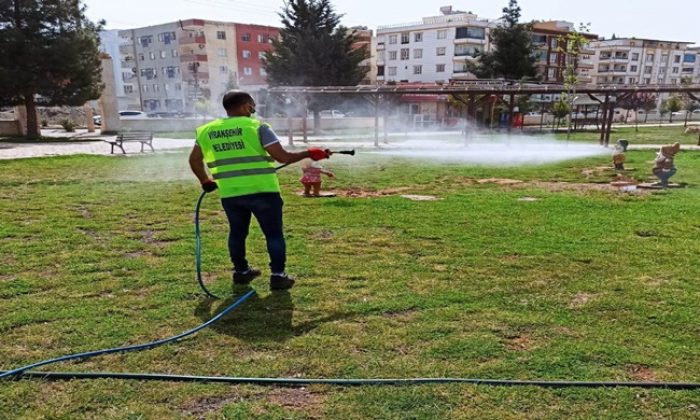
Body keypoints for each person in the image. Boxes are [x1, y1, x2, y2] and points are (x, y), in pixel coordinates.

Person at [189, 91, 330, 290]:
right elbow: (283, 158)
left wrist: (205, 180)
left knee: (237, 233)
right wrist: (310, 152)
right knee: (273, 234)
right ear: (246, 106)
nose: (253, 111)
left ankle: (241, 272)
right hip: (263, 191)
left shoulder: (206, 131)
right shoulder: (258, 127)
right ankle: (278, 276)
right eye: (252, 107)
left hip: (231, 193)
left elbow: (194, 160)